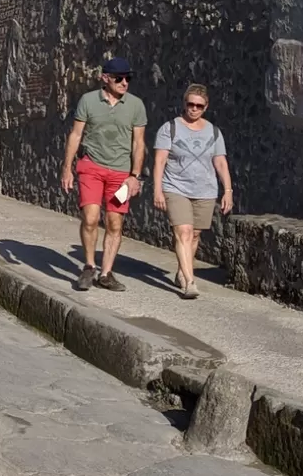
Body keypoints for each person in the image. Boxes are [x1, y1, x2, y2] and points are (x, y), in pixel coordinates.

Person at [60, 56, 147, 292]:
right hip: (91, 168)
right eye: (119, 78)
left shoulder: (136, 105)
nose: (124, 83)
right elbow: (76, 135)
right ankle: (89, 266)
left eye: (128, 78)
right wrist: (67, 168)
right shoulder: (88, 101)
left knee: (114, 223)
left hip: (120, 174)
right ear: (105, 78)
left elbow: (139, 143)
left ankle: (106, 273)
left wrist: (135, 176)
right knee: (90, 217)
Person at [153, 84, 233, 298]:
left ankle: (181, 271)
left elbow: (221, 162)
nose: (194, 109)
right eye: (190, 104)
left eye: (199, 106)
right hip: (175, 187)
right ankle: (190, 282)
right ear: (184, 104)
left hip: (205, 190)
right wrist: (158, 190)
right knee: (184, 232)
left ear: (206, 107)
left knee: (195, 234)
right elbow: (160, 161)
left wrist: (228, 190)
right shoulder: (169, 128)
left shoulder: (214, 132)